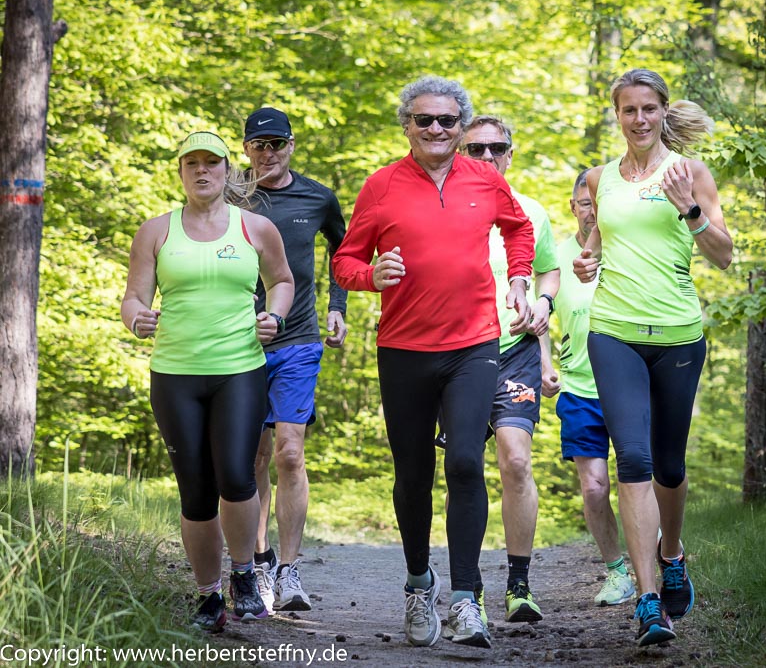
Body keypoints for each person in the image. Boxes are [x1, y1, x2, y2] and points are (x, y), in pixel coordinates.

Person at [333, 76, 535, 650]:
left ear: (461, 125)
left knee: (468, 462)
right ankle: (420, 583)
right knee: (413, 473)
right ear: (408, 125)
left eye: (449, 121)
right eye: (426, 120)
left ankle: (467, 599)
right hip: (403, 349)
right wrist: (372, 276)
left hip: (474, 345)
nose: (438, 130)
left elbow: (519, 230)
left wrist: (520, 277)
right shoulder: (381, 186)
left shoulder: (485, 179)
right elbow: (345, 261)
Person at [573, 69, 733, 647]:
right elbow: (596, 245)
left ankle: (673, 553)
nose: (638, 119)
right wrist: (587, 263)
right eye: (627, 110)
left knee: (669, 464)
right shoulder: (599, 179)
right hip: (613, 333)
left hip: (677, 337)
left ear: (664, 111)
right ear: (616, 115)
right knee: (633, 460)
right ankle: (647, 602)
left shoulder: (690, 173)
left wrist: (691, 210)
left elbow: (724, 256)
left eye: (648, 109)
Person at [121, 131, 294, 631]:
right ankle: (207, 598)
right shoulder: (156, 231)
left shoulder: (255, 228)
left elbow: (282, 282)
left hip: (239, 369)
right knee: (195, 489)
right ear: (180, 172)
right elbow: (133, 296)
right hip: (174, 374)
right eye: (191, 163)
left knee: (237, 476)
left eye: (211, 163)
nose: (202, 171)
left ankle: (244, 575)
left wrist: (275, 318)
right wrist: (138, 319)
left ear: (226, 170)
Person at [241, 107, 348, 614]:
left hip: (299, 338)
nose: (268, 152)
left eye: (277, 144)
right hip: (236, 343)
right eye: (259, 144)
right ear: (245, 149)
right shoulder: (229, 194)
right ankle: (257, 563)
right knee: (254, 457)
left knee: (288, 453)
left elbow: (343, 253)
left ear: (291, 146)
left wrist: (337, 308)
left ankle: (289, 570)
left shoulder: (318, 197)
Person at [455, 115, 560, 623]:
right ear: (459, 151)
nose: (486, 158)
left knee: (516, 461)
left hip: (513, 349)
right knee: (464, 467)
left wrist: (544, 302)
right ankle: (466, 586)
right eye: (475, 149)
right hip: (455, 352)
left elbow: (551, 267)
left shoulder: (531, 210)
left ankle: (518, 584)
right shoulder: (442, 205)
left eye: (497, 149)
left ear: (511, 155)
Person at [540, 170, 636, 608]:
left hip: (632, 385)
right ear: (572, 206)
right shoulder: (558, 256)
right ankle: (617, 572)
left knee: (640, 480)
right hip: (579, 388)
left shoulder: (629, 247)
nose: (592, 209)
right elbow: (540, 316)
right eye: (584, 202)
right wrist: (544, 365)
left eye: (599, 202)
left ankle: (657, 555)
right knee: (595, 488)